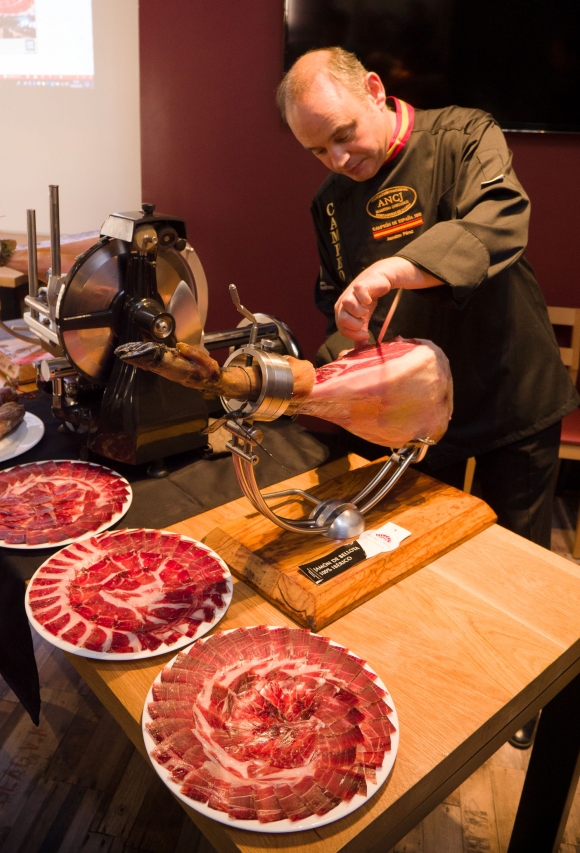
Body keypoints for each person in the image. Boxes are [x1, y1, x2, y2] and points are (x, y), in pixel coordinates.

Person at [277, 47, 579, 748]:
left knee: (514, 558)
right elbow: (339, 303)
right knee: (414, 550)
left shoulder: (464, 134)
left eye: (344, 134)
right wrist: (337, 348)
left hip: (507, 385)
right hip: (413, 413)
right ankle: (436, 681)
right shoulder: (330, 204)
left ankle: (522, 698)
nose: (337, 159)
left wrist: (396, 267)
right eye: (317, 150)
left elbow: (498, 219)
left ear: (374, 90)